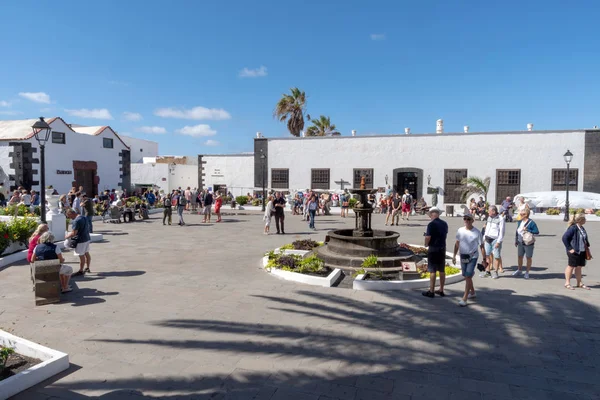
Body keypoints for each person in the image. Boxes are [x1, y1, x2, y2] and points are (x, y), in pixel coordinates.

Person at [452, 213, 486, 306]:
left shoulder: (477, 232)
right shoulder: (460, 230)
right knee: (466, 275)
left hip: (473, 256)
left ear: (472, 220)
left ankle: (465, 298)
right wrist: (454, 255)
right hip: (463, 256)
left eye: (468, 219)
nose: (466, 221)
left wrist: (484, 259)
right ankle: (473, 292)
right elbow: (457, 243)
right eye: (465, 219)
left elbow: (482, 246)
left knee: (467, 276)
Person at [422, 207, 448, 298]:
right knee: (441, 269)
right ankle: (441, 289)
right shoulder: (444, 224)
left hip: (433, 248)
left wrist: (426, 244)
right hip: (442, 247)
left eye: (430, 215)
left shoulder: (431, 224)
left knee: (432, 270)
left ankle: (431, 291)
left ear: (433, 214)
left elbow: (428, 237)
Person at [562, 213, 592, 290]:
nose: (586, 220)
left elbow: (584, 238)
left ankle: (579, 283)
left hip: (581, 250)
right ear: (580, 220)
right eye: (584, 219)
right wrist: (569, 248)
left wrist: (587, 247)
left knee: (579, 267)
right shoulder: (573, 228)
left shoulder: (582, 228)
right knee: (571, 266)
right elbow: (564, 238)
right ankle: (567, 283)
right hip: (574, 251)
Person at [513, 208, 540, 279]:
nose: (521, 215)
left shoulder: (531, 223)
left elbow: (537, 232)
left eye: (522, 214)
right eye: (520, 214)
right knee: (520, 256)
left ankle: (527, 272)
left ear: (526, 214)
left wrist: (528, 229)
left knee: (528, 257)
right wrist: (516, 240)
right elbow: (517, 231)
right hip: (520, 241)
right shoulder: (519, 222)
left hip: (528, 242)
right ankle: (519, 270)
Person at [65, 208, 92, 276]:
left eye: (69, 216)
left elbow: (74, 233)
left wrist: (67, 236)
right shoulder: (83, 217)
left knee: (81, 255)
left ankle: (81, 270)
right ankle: (87, 267)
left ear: (71, 213)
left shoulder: (76, 221)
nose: (70, 218)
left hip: (81, 240)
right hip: (87, 238)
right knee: (86, 253)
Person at [482, 205, 506, 279]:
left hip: (495, 240)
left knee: (496, 256)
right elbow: (487, 229)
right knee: (487, 255)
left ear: (493, 211)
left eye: (489, 211)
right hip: (487, 239)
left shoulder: (501, 219)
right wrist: (484, 237)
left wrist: (498, 242)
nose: (488, 212)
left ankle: (495, 272)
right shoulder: (489, 218)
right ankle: (487, 272)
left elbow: (502, 232)